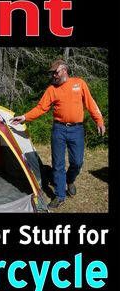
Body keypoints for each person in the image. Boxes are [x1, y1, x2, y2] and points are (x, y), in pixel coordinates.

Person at [10, 59, 106, 209]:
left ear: (64, 71)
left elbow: (90, 103)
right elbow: (41, 108)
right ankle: (60, 195)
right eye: (52, 73)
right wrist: (24, 117)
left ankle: (70, 179)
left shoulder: (79, 84)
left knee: (77, 162)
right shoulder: (51, 89)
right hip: (59, 130)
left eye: (56, 72)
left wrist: (99, 121)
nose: (54, 75)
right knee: (58, 165)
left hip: (77, 129)